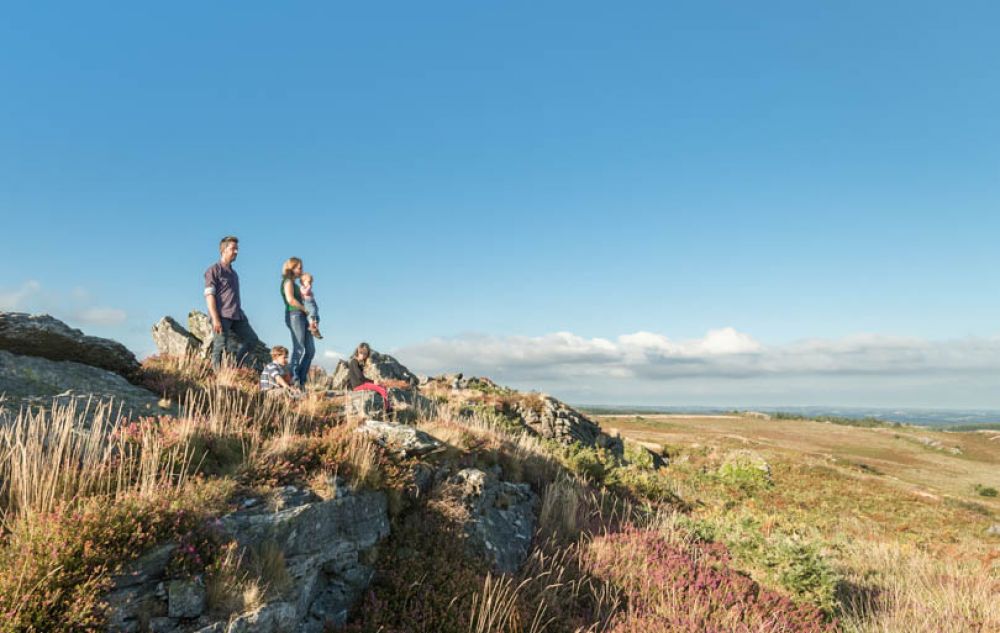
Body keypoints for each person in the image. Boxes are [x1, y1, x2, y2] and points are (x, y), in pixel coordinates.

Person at [204, 236, 261, 370]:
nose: (236, 252)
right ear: (223, 250)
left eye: (237, 249)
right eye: (233, 249)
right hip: (221, 316)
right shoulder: (213, 270)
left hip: (237, 316)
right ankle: (218, 377)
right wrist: (215, 319)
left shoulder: (234, 274)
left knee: (252, 339)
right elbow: (209, 296)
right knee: (220, 347)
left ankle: (237, 366)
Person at [281, 257, 315, 387]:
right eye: (299, 267)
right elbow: (290, 300)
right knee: (299, 347)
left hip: (301, 316)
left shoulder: (296, 284)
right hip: (294, 315)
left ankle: (301, 378)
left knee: (310, 350)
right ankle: (294, 379)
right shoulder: (287, 281)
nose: (301, 270)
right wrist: (304, 309)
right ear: (291, 268)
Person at [347, 342, 392, 413]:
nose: (363, 355)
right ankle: (388, 412)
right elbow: (360, 377)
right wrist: (373, 381)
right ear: (358, 351)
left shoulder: (359, 362)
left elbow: (361, 377)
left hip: (361, 384)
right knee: (382, 389)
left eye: (365, 353)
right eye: (361, 352)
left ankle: (388, 407)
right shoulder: (354, 362)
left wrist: (373, 381)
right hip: (358, 385)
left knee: (384, 387)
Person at [300, 272, 323, 339]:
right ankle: (311, 326)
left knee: (317, 317)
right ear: (302, 282)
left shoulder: (308, 288)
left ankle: (316, 329)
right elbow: (305, 293)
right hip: (307, 303)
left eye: (311, 283)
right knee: (312, 313)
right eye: (309, 282)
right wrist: (309, 288)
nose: (310, 284)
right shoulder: (302, 287)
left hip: (312, 303)